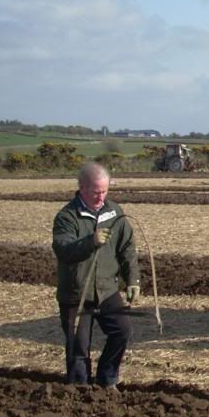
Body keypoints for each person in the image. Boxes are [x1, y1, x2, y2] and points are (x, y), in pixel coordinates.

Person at [52, 162, 139, 386]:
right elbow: (63, 250)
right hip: (76, 293)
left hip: (106, 290)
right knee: (78, 348)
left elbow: (126, 247)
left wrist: (132, 280)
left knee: (123, 331)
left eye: (105, 191)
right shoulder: (67, 217)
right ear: (82, 188)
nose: (101, 197)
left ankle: (107, 380)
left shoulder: (114, 211)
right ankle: (80, 390)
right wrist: (90, 242)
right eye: (96, 192)